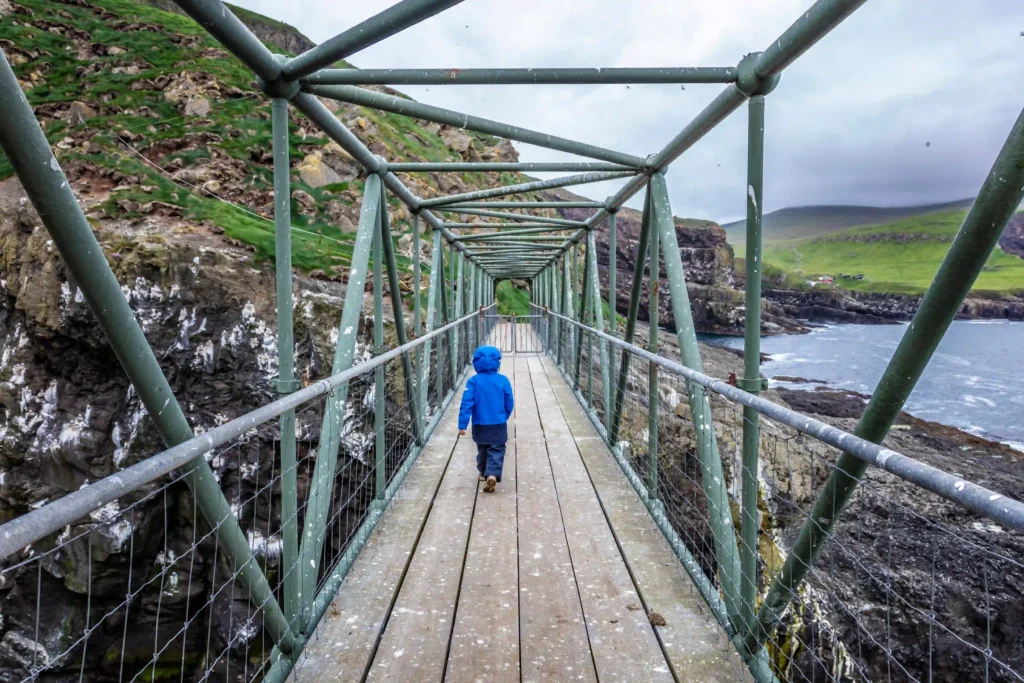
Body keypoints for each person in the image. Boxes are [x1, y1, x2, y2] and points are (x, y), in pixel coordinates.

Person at [458, 345, 514, 493]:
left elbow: (466, 404)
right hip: (498, 423)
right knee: (497, 448)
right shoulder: (503, 380)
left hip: (480, 424)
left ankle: (483, 471)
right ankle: (493, 474)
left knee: (482, 448)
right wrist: (505, 415)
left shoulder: (473, 381)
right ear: (497, 362)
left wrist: (462, 425)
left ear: (476, 362)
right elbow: (509, 401)